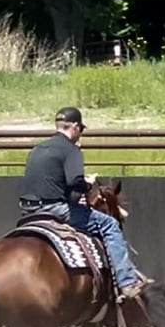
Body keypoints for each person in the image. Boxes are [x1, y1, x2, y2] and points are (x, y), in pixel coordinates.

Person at [18, 106, 151, 301]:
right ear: (74, 126)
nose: (81, 134)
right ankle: (126, 281)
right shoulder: (71, 150)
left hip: (28, 210)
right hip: (56, 209)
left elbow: (49, 182)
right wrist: (87, 184)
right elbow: (74, 182)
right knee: (110, 225)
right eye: (81, 129)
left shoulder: (37, 149)